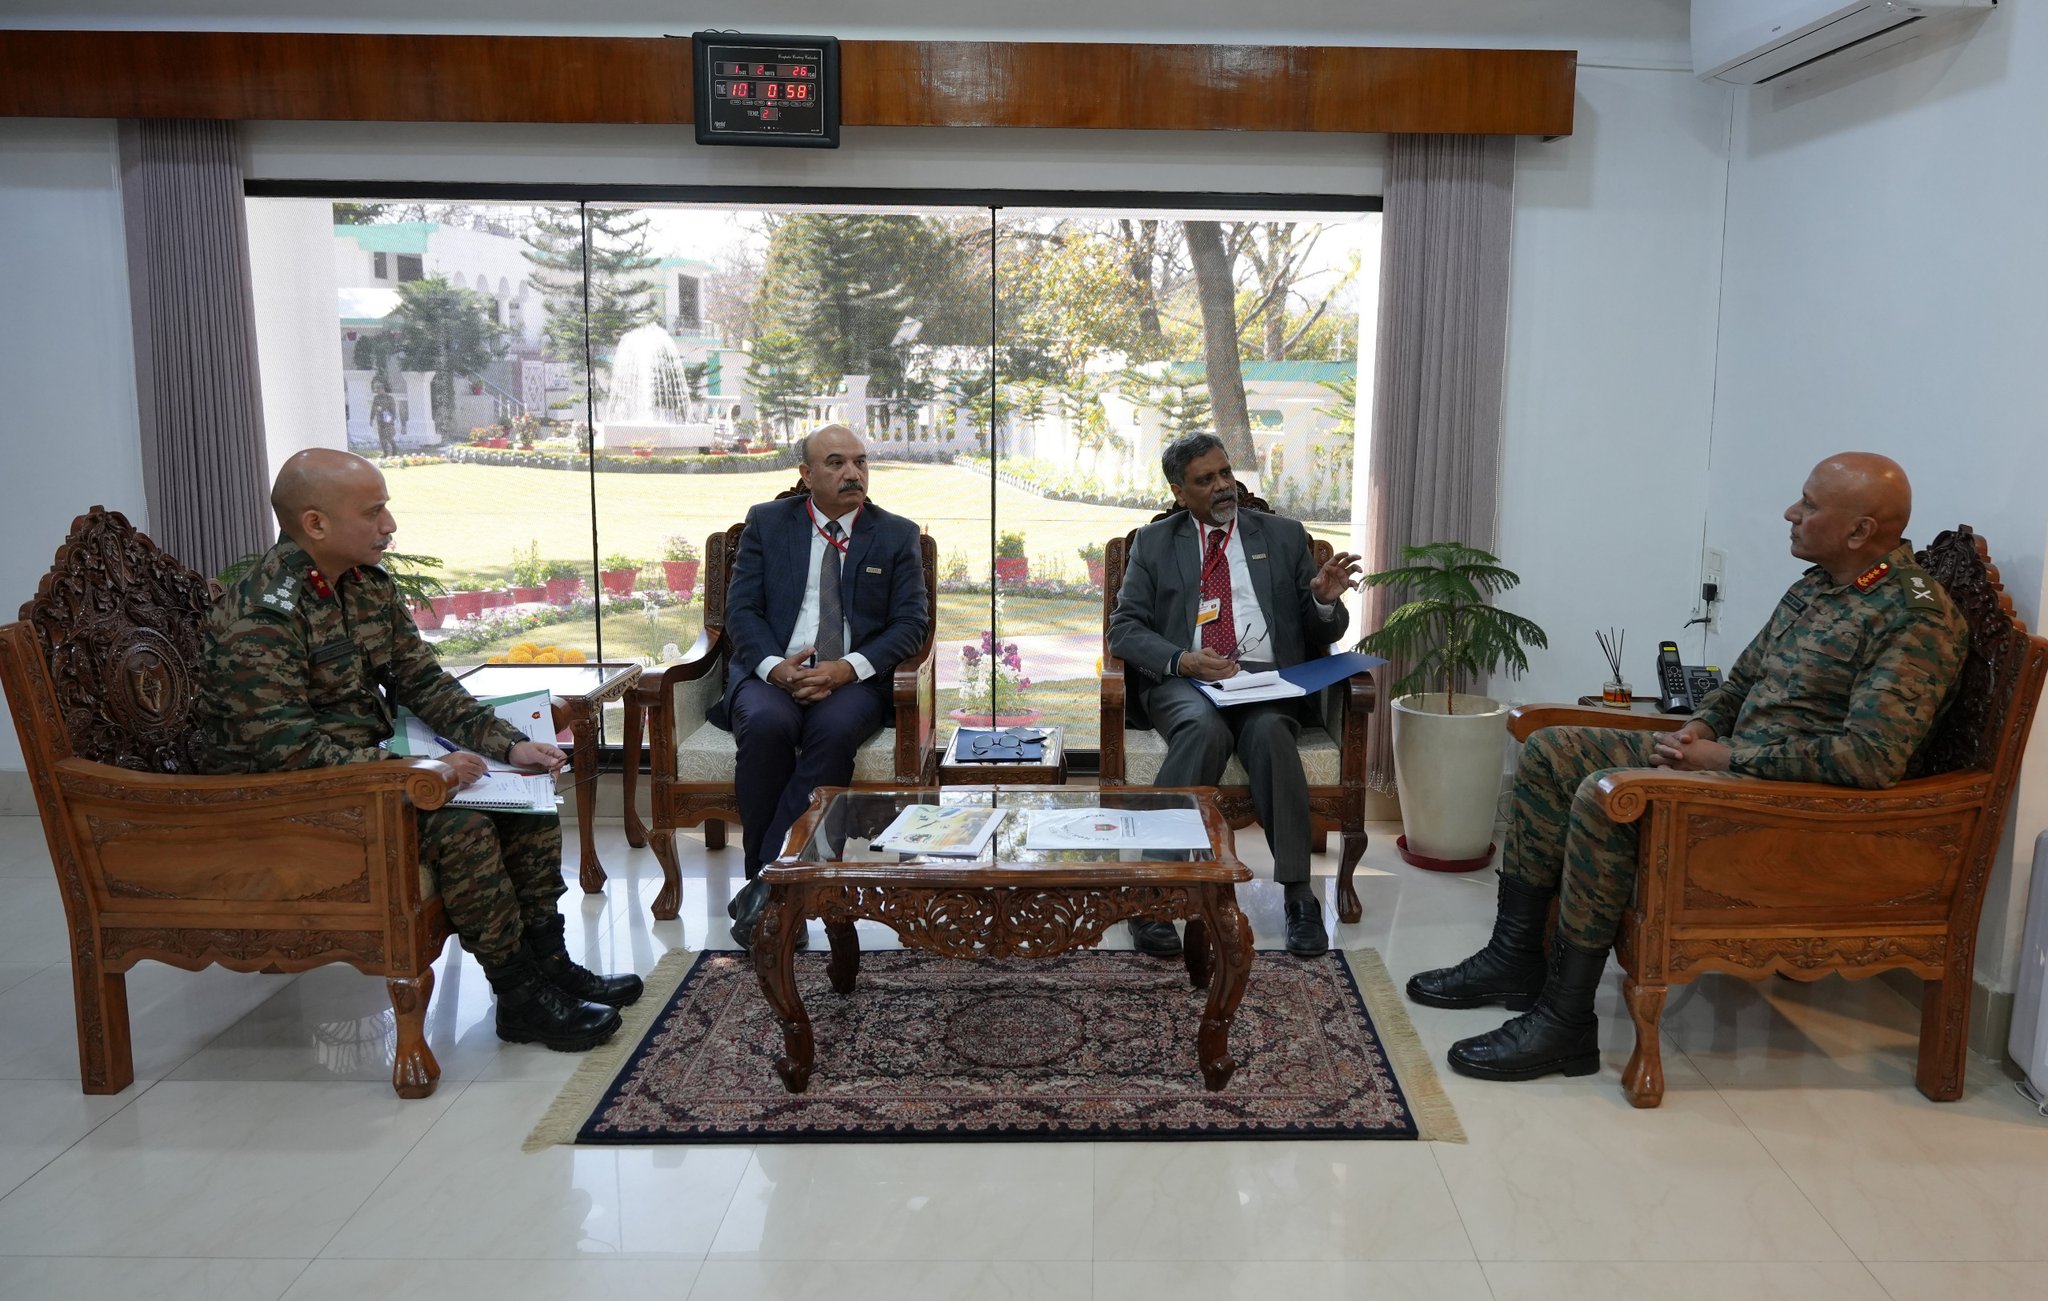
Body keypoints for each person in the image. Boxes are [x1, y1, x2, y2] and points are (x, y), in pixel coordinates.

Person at [1409, 452, 1969, 1082]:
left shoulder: (1915, 617)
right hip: (1732, 769)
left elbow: (1870, 759)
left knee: (1605, 791)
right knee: (1552, 749)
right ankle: (1515, 959)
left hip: (1790, 809)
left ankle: (1565, 1022)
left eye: (1809, 505)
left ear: (1860, 531)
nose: (1791, 512)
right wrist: (1699, 728)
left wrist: (1727, 757)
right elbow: (1743, 683)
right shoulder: (1817, 586)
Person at [195, 449, 643, 1052]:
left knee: (528, 802)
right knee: (461, 828)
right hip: (290, 800)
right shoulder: (262, 614)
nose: (389, 526)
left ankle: (549, 966)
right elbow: (290, 753)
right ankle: (518, 994)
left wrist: (511, 745)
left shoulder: (365, 586)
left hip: (366, 776)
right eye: (373, 512)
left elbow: (425, 683)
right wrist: (422, 771)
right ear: (315, 523)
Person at [1108, 432, 1363, 958]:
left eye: (1226, 472)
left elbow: (1323, 630)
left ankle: (1299, 895)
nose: (1224, 486)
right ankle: (1154, 893)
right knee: (1202, 728)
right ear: (1179, 492)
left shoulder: (1285, 536)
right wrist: (1183, 659)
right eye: (1206, 479)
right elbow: (1125, 629)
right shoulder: (1154, 544)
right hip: (1187, 679)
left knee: (1270, 733)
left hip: (1266, 682)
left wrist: (1322, 602)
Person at [715, 423, 928, 948]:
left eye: (860, 461)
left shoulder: (896, 533)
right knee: (766, 725)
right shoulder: (768, 523)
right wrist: (774, 667)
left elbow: (910, 625)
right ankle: (777, 889)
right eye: (836, 463)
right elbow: (740, 610)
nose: (853, 473)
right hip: (772, 671)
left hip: (852, 680)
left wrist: (846, 668)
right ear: (806, 474)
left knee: (832, 733)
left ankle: (768, 888)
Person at [369, 381, 399, 458]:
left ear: (382, 389)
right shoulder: (376, 398)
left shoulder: (389, 398)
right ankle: (385, 453)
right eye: (376, 391)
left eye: (378, 390)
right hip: (380, 421)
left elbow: (393, 410)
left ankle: (394, 452)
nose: (377, 392)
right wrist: (371, 418)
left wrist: (392, 419)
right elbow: (373, 408)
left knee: (389, 437)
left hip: (388, 420)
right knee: (381, 438)